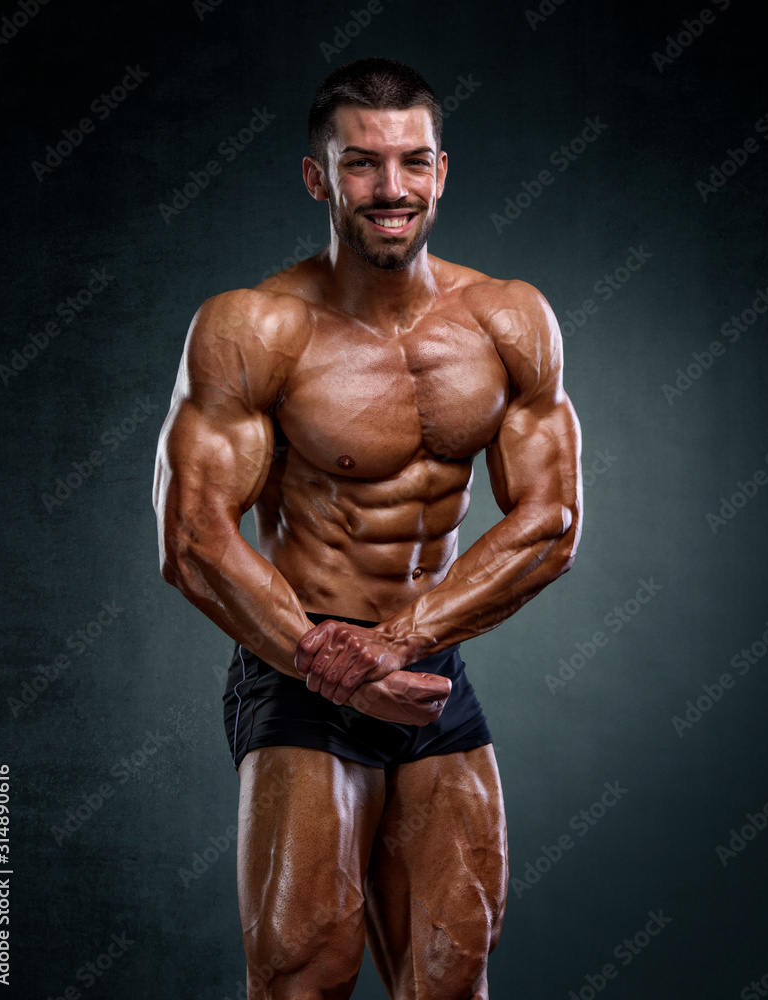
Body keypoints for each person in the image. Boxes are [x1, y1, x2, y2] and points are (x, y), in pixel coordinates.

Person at [153, 56, 582, 1000]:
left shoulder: (509, 319)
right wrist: (326, 659)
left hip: (427, 667)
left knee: (452, 967)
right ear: (318, 177)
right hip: (298, 664)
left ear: (440, 170)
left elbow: (549, 521)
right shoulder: (254, 328)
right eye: (361, 164)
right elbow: (192, 540)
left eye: (412, 162)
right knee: (304, 971)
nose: (391, 189)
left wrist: (396, 646)